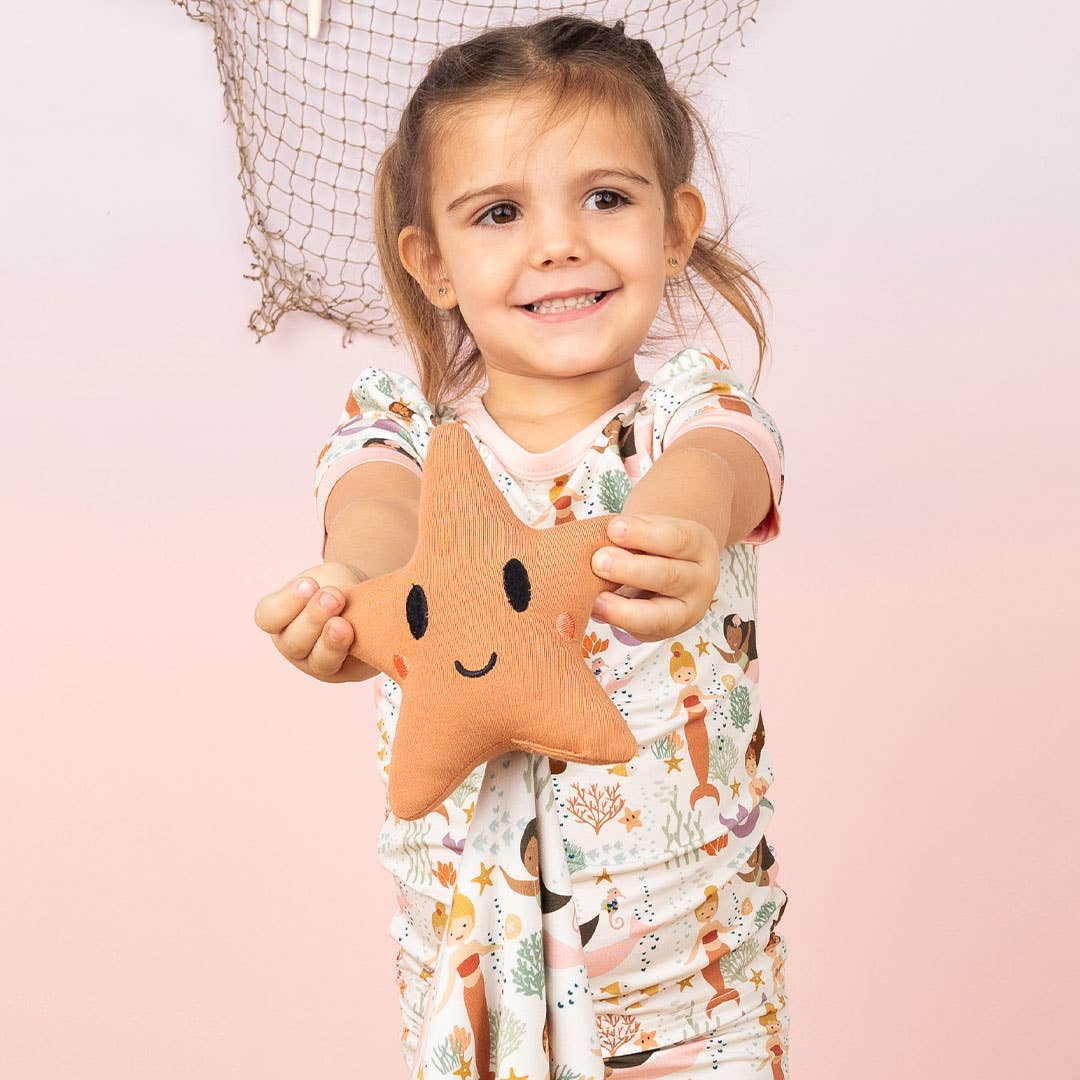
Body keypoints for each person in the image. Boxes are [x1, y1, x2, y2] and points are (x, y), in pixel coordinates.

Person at [254, 14, 790, 1078]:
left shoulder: (691, 418)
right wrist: (349, 588)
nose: (559, 244)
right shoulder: (404, 437)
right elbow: (374, 512)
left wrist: (682, 529)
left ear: (675, 226)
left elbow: (726, 469)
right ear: (433, 262)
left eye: (606, 197)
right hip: (472, 985)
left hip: (688, 986)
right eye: (499, 212)